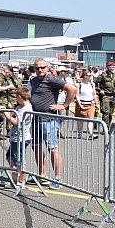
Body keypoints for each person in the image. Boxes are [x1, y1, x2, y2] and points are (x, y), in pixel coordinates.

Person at [29, 58, 77, 189]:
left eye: (42, 67)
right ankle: (42, 175)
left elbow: (72, 89)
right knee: (37, 148)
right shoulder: (33, 80)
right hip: (35, 119)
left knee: (53, 149)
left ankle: (57, 178)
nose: (39, 70)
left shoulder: (52, 79)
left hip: (49, 120)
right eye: (37, 67)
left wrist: (64, 105)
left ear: (47, 67)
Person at [3, 86, 34, 187]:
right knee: (10, 156)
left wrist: (5, 113)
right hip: (15, 137)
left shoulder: (26, 109)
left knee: (19, 159)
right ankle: (15, 179)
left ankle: (20, 181)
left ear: (20, 97)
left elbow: (16, 122)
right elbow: (13, 114)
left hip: (21, 138)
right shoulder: (19, 107)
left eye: (17, 97)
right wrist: (6, 109)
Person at [74, 70, 98, 138]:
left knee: (91, 119)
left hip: (90, 103)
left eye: (90, 75)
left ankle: (91, 134)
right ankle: (80, 134)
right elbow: (77, 95)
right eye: (88, 75)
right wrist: (80, 104)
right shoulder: (78, 84)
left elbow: (94, 94)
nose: (90, 77)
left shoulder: (92, 84)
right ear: (84, 76)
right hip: (81, 103)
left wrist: (96, 103)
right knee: (80, 119)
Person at [95, 61, 115, 129]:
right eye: (110, 67)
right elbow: (96, 83)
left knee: (110, 113)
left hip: (112, 96)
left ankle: (109, 126)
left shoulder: (114, 75)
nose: (111, 68)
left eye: (113, 67)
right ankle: (105, 128)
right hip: (105, 96)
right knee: (105, 112)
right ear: (107, 67)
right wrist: (99, 90)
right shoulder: (102, 75)